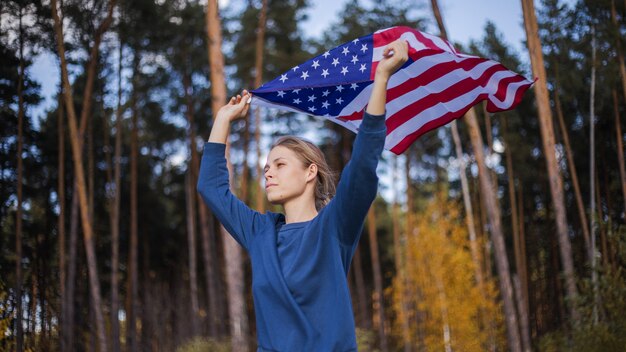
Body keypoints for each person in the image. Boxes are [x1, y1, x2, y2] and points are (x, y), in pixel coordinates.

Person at [197, 39, 409, 352]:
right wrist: (223, 119)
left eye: (280, 164)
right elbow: (211, 188)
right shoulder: (260, 233)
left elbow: (363, 163)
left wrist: (381, 79)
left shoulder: (334, 226)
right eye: (267, 166)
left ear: (310, 172)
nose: (268, 173)